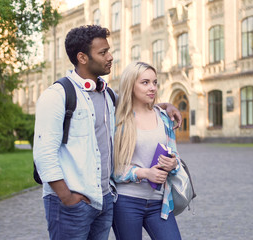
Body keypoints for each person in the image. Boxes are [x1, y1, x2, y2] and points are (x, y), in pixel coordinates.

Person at [33, 25, 181, 240]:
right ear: (82, 58)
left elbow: (138, 103)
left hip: (104, 200)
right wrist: (67, 197)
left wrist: (166, 105)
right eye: (103, 53)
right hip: (72, 202)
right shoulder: (57, 95)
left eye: (109, 50)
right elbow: (43, 154)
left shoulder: (109, 95)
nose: (110, 57)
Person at [112, 62, 182, 240]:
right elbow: (113, 169)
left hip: (160, 202)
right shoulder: (119, 120)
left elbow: (174, 155)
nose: (152, 88)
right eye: (145, 82)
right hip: (126, 202)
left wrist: (173, 163)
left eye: (155, 82)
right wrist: (144, 173)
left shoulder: (164, 117)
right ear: (130, 85)